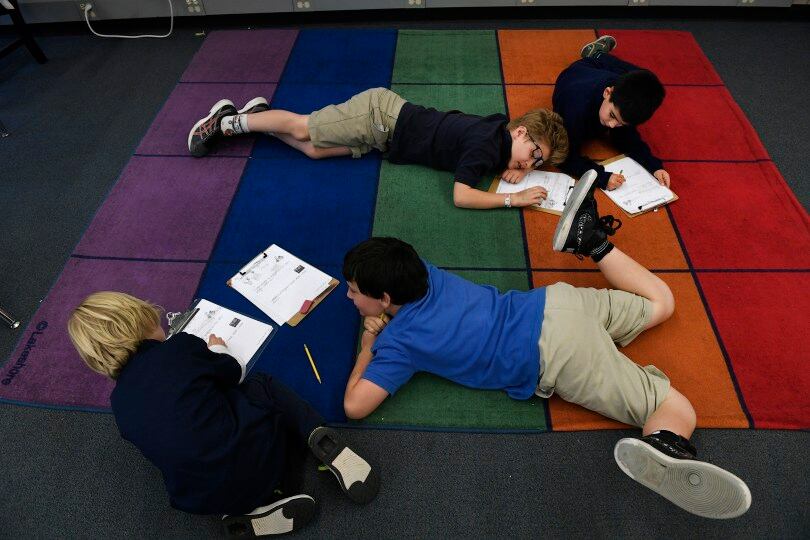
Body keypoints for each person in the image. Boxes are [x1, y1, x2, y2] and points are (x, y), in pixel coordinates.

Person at [338, 171, 750, 519]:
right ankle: (593, 243)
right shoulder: (423, 272)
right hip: (556, 301)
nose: (349, 298)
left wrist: (369, 343)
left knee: (677, 410)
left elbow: (354, 407)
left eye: (355, 291)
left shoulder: (399, 344)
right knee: (662, 303)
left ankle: (667, 446)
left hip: (556, 354)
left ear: (386, 300)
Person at [68, 292, 380, 537]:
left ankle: (249, 513)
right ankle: (318, 436)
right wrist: (217, 349)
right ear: (141, 320)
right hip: (260, 455)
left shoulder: (119, 405)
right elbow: (235, 373)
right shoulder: (179, 347)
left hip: (205, 498)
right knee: (260, 385)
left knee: (203, 434)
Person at [187, 88, 569, 210]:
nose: (533, 162)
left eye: (539, 161)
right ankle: (224, 121)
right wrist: (512, 198)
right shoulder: (485, 146)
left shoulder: (499, 132)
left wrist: (516, 163)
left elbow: (503, 150)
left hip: (382, 136)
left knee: (313, 151)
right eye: (534, 152)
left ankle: (259, 117)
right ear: (519, 132)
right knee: (304, 128)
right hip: (378, 115)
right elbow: (461, 195)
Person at [553, 35, 671, 191]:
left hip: (608, 76)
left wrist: (654, 166)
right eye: (612, 116)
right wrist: (602, 177)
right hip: (588, 67)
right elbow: (563, 158)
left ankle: (604, 58)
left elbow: (627, 137)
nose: (612, 125)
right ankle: (598, 54)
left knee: (647, 81)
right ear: (607, 92)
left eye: (621, 123)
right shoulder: (575, 110)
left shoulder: (618, 107)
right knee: (621, 70)